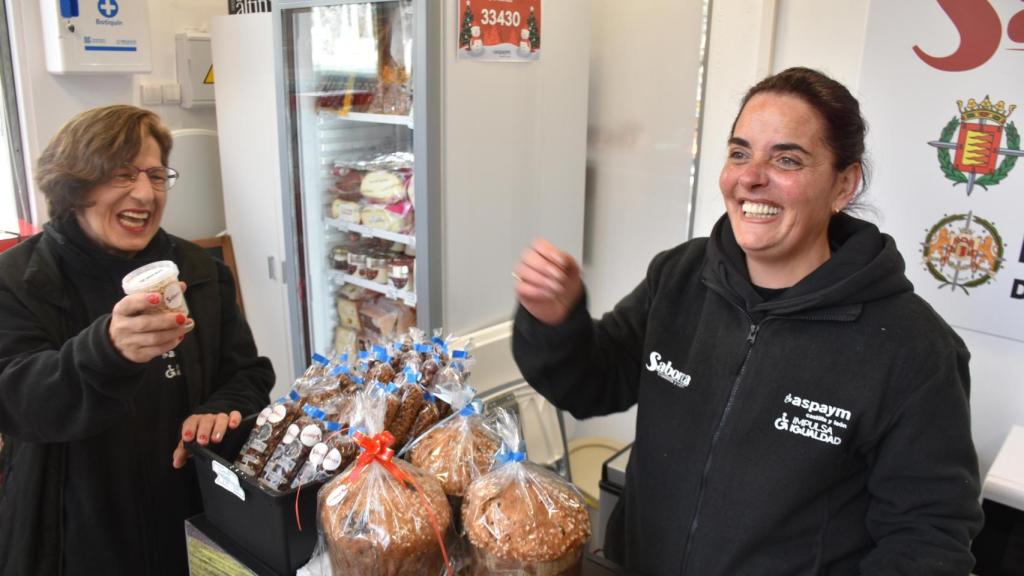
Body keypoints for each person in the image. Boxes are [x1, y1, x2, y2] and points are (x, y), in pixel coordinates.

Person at [512, 68, 983, 575]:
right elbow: (593, 383)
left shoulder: (915, 350)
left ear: (843, 184)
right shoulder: (681, 275)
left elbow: (927, 540)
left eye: (786, 159)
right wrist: (555, 321)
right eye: (739, 153)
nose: (750, 176)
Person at [0, 105, 274, 575]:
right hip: (77, 525)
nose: (145, 193)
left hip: (191, 508)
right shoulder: (21, 279)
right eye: (122, 175)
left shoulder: (198, 269)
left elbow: (246, 372)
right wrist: (106, 351)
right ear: (75, 185)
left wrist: (220, 410)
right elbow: (15, 400)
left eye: (155, 174)